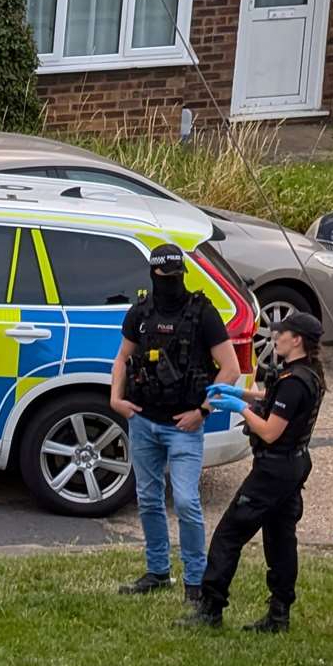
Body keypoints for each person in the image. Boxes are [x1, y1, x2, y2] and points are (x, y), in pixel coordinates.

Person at [111, 243, 241, 600]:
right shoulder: (140, 312)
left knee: (185, 502)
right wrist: (115, 399)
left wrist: (202, 411)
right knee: (149, 499)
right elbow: (122, 358)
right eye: (164, 276)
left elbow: (230, 369)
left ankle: (196, 583)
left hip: (185, 426)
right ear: (154, 274)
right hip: (142, 420)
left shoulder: (202, 313)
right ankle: (157, 572)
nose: (170, 282)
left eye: (175, 276)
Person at [180, 311, 324, 631]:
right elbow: (274, 399)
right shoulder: (307, 374)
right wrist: (244, 394)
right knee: (280, 539)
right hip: (293, 466)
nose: (276, 338)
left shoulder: (294, 383)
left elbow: (270, 431)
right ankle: (279, 614)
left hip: (273, 471)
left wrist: (241, 409)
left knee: (229, 535)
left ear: (296, 339)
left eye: (281, 334)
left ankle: (210, 609)